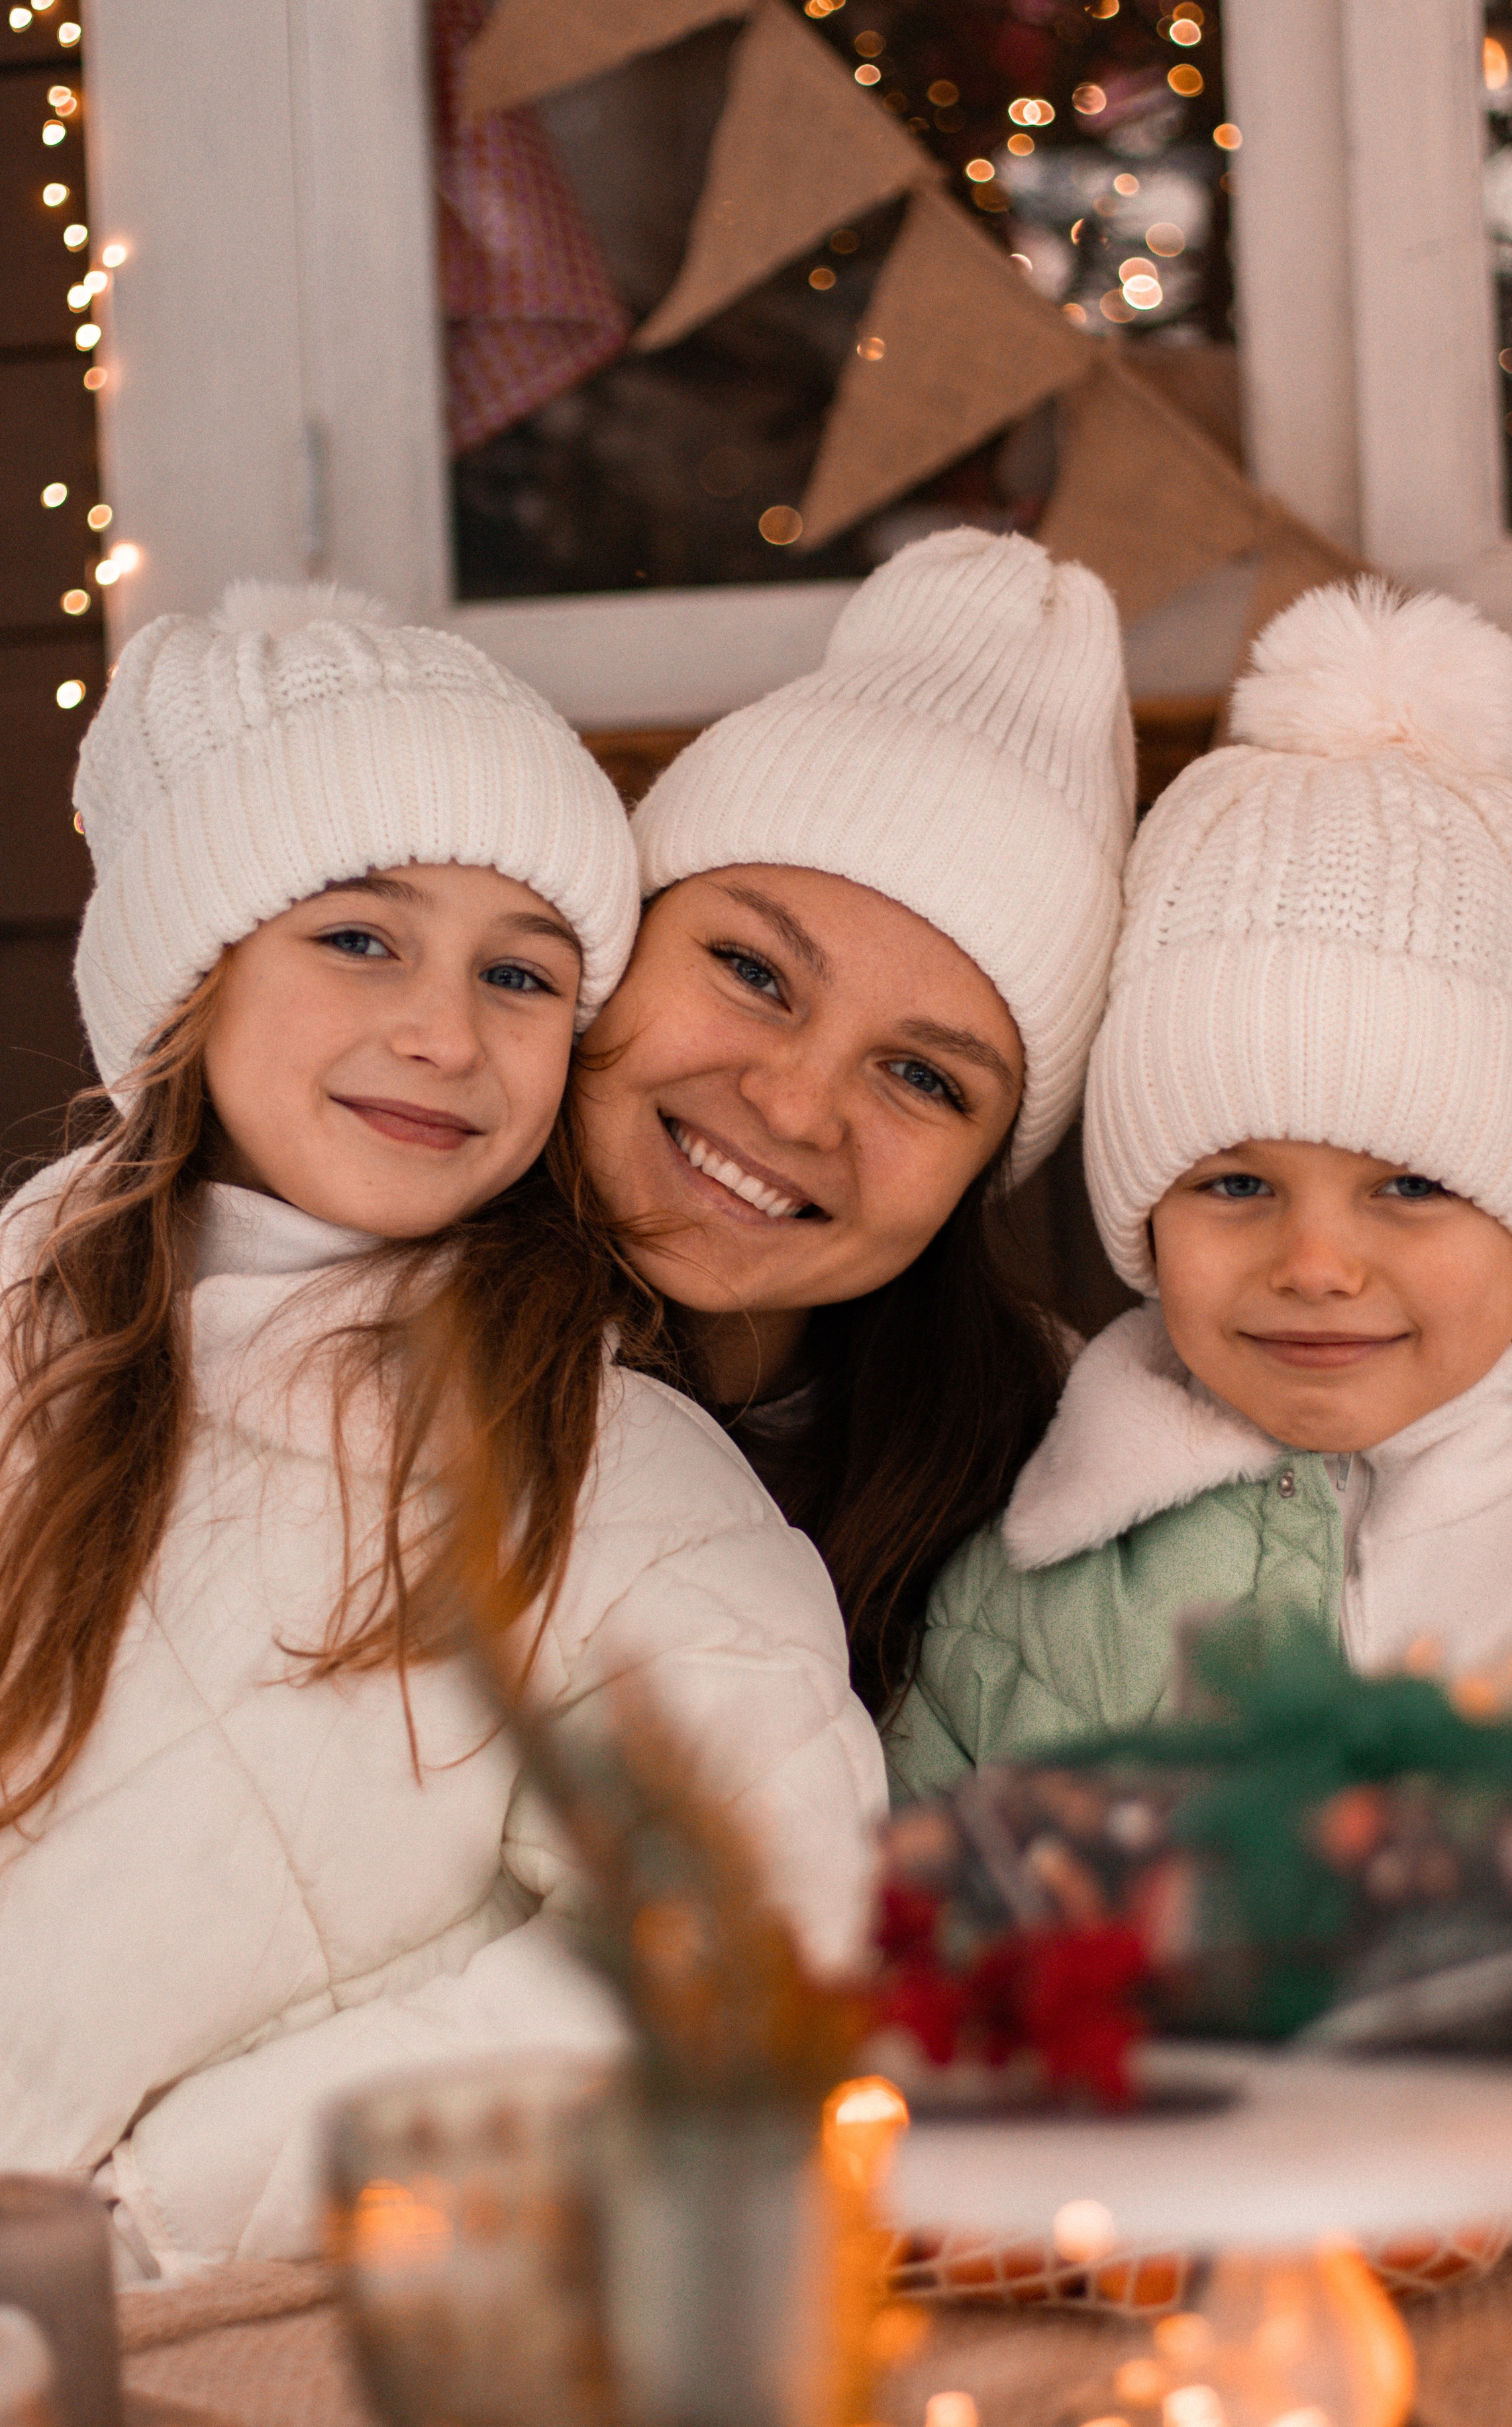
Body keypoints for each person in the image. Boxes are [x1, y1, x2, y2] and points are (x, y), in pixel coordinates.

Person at [0, 584, 884, 2274]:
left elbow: (758, 1940)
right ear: (194, 968)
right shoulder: (27, 1345)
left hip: (266, 2337)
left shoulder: (604, 1468)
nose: (442, 1030)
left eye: (523, 975)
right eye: (358, 937)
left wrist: (157, 2212)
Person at [891, 578, 1512, 1796]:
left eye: (1413, 1184)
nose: (1316, 1264)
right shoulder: (1043, 1604)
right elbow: (943, 1935)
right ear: (1147, 1222)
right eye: (1235, 1185)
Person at [572, 528, 1135, 1716]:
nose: (791, 1104)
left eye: (925, 1080)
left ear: (986, 1170)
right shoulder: (308, 1317)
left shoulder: (1058, 1499)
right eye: (753, 971)